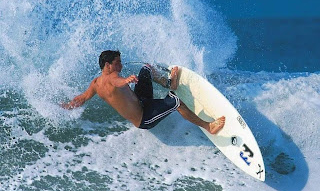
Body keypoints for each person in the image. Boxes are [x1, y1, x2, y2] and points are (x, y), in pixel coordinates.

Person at [61, 50, 225, 134]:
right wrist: (125, 81)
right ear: (107, 64)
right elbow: (116, 82)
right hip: (144, 118)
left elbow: (83, 97)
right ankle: (208, 126)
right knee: (177, 102)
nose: (121, 66)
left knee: (146, 68)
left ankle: (170, 82)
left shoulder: (95, 83)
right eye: (118, 63)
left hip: (141, 101)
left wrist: (68, 105)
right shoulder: (113, 77)